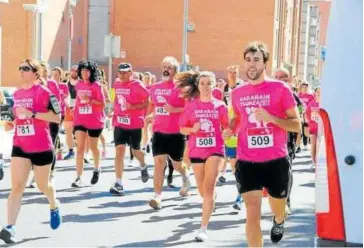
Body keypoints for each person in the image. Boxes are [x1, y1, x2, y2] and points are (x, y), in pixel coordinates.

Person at [224, 42, 300, 247]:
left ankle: (279, 220)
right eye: (248, 60)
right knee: (252, 213)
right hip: (247, 160)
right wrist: (231, 128)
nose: (251, 64)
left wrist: (271, 118)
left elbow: (297, 125)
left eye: (256, 59)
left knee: (278, 207)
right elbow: (238, 118)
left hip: (276, 160)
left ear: (265, 63)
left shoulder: (280, 89)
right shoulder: (237, 93)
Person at [0, 59, 62, 244]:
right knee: (17, 186)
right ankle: (10, 227)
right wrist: (13, 123)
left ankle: (54, 204)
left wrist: (33, 114)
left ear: (36, 73)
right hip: (21, 145)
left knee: (44, 186)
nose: (21, 71)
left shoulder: (44, 92)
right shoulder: (17, 93)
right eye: (20, 67)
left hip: (42, 146)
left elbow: (58, 117)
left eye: (25, 68)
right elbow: (18, 117)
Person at [179, 71, 229, 242]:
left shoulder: (221, 106)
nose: (206, 87)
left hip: (215, 150)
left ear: (215, 85)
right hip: (196, 151)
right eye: (202, 83)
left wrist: (229, 133)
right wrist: (192, 129)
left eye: (209, 83)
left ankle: (203, 228)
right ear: (197, 86)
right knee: (202, 190)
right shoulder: (191, 106)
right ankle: (211, 199)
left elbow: (227, 128)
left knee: (208, 189)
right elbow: (182, 129)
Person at [146, 56, 191, 210]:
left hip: (176, 132)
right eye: (164, 66)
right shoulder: (155, 87)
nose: (166, 69)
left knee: (177, 164)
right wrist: (150, 115)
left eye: (170, 67)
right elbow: (153, 105)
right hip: (158, 131)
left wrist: (174, 110)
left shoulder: (181, 88)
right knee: (159, 163)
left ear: (175, 71)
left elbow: (189, 108)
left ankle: (185, 176)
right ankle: (157, 197)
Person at [109, 63, 150, 196]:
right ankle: (118, 183)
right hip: (120, 123)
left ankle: (143, 164)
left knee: (135, 151)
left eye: (125, 72)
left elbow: (147, 102)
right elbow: (114, 99)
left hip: (134, 124)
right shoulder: (116, 84)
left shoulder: (137, 85)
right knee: (119, 151)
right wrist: (113, 110)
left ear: (130, 72)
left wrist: (132, 106)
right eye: (120, 72)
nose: (122, 75)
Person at [71, 59, 106, 188]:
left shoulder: (96, 86)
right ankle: (79, 177)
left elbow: (102, 104)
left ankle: (97, 168)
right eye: (83, 70)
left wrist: (90, 100)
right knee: (79, 148)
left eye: (87, 71)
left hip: (95, 120)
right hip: (80, 119)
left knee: (93, 147)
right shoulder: (78, 85)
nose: (85, 73)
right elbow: (78, 101)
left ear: (92, 72)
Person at [274, 67, 303, 215]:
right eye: (277, 77)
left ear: (288, 80)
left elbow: (299, 121)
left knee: (285, 172)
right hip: (269, 141)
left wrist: (298, 142)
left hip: (287, 141)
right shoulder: (268, 95)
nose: (279, 80)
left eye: (283, 78)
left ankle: (286, 200)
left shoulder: (293, 96)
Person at [305, 87, 320, 169]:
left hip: (322, 129)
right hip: (313, 128)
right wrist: (309, 123)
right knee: (313, 145)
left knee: (319, 146)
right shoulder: (312, 103)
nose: (318, 93)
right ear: (315, 93)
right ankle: (314, 162)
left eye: (320, 92)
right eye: (317, 91)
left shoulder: (324, 103)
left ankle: (318, 163)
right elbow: (306, 114)